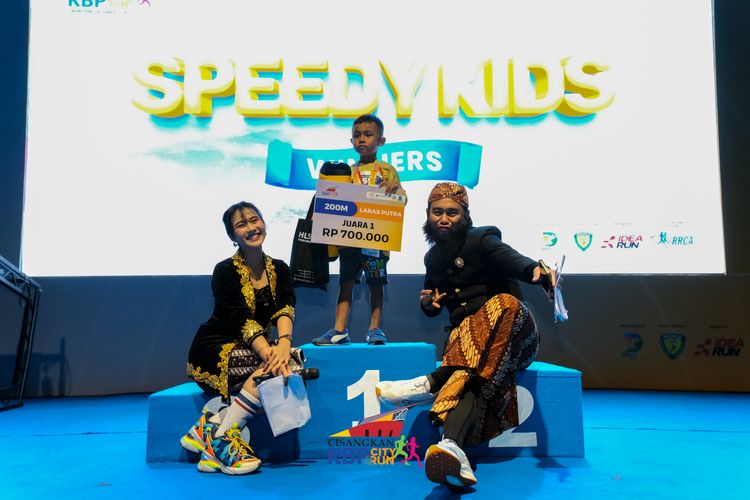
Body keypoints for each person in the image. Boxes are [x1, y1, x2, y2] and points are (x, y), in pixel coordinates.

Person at [375, 182, 555, 489]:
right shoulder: (432, 259)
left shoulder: (482, 239)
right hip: (474, 353)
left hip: (516, 339)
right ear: (428, 214)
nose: (444, 219)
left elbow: (512, 259)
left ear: (465, 215)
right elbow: (433, 298)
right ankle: (451, 447)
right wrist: (428, 305)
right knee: (471, 370)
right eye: (437, 212)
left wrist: (534, 272)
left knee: (504, 304)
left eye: (452, 213)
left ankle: (432, 382)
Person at [182, 201, 301, 475]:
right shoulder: (224, 270)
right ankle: (223, 442)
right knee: (278, 369)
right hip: (215, 350)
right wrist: (272, 354)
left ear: (264, 223)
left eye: (254, 220)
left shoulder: (280, 268)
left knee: (293, 362)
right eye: (241, 224)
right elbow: (241, 320)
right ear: (232, 235)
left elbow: (285, 308)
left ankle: (212, 427)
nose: (251, 228)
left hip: (255, 350)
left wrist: (284, 344)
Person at [313, 114, 405, 346]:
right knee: (345, 283)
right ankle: (339, 330)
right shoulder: (346, 172)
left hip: (376, 242)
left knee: (376, 284)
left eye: (368, 134)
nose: (361, 139)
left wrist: (395, 190)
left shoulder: (387, 170)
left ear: (381, 141)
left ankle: (375, 329)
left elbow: (402, 200)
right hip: (349, 242)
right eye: (357, 135)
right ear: (351, 140)